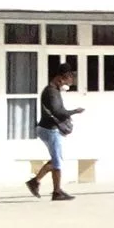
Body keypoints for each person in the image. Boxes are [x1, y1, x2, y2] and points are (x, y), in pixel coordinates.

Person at [27, 65, 82, 201]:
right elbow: (58, 111)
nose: (68, 83)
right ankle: (56, 192)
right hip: (50, 130)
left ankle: (35, 182)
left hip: (47, 129)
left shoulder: (54, 90)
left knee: (56, 159)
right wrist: (74, 111)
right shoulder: (51, 92)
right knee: (57, 161)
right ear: (60, 78)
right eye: (68, 79)